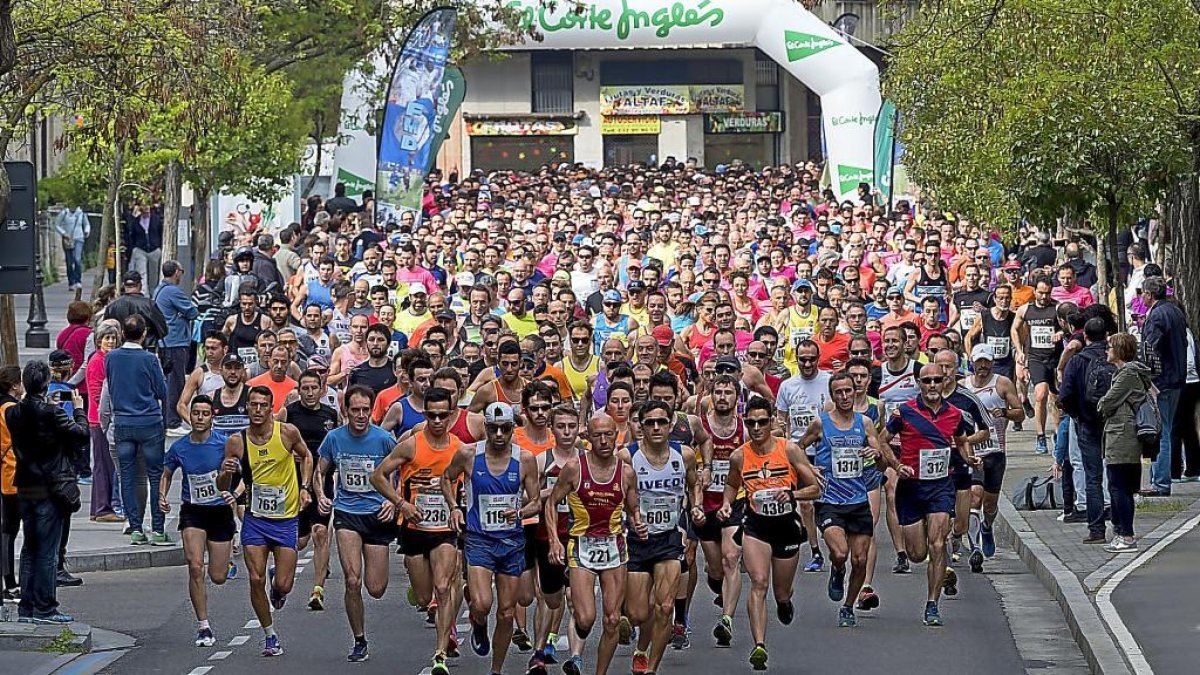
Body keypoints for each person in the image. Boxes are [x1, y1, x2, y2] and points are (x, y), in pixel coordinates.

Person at [719, 397, 820, 671]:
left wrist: (791, 494)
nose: (756, 427)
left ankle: (785, 602)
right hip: (756, 526)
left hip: (787, 526)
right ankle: (759, 645)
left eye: (762, 422)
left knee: (780, 591)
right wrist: (727, 503)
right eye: (750, 422)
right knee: (759, 582)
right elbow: (731, 484)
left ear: (772, 421)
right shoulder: (739, 456)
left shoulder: (789, 450)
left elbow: (815, 489)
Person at [370, 387, 464, 675]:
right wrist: (401, 503)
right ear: (425, 415)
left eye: (442, 415)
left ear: (450, 415)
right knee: (425, 599)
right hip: (413, 527)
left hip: (445, 528)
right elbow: (378, 476)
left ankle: (440, 653)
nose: (437, 421)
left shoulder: (459, 448)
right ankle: (420, 592)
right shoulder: (412, 445)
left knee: (443, 588)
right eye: (432, 415)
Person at [443, 401, 541, 675]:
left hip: (511, 542)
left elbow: (535, 502)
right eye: (494, 429)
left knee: (507, 612)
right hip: (479, 539)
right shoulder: (468, 454)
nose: (499, 435)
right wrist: (454, 508)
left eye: (505, 429)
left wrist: (520, 511)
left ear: (513, 429)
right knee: (484, 603)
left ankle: (495, 670)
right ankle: (478, 619)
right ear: (485, 428)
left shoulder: (525, 459)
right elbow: (446, 478)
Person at [544, 414, 647, 675]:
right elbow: (551, 502)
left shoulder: (626, 473)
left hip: (614, 548)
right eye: (597, 435)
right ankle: (580, 630)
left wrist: (638, 523)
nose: (603, 440)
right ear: (588, 438)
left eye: (608, 434)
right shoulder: (574, 468)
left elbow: (634, 509)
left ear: (617, 436)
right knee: (586, 617)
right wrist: (554, 541)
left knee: (612, 619)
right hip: (581, 547)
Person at [217, 386, 313, 657]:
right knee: (255, 577)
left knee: (283, 584)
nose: (257, 410)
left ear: (271, 408)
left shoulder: (287, 433)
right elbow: (221, 485)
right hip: (256, 518)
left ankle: (278, 587)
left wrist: (305, 487)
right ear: (246, 408)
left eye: (263, 405)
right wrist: (225, 473)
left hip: (285, 519)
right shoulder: (237, 442)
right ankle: (270, 635)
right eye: (253, 405)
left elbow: (306, 456)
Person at [880, 363, 978, 627]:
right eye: (927, 380)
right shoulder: (904, 412)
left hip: (941, 486)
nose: (932, 385)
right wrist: (896, 464)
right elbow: (882, 440)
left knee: (937, 543)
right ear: (919, 383)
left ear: (944, 381)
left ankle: (932, 604)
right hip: (911, 488)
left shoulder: (955, 414)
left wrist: (970, 459)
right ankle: (935, 568)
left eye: (937, 379)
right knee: (916, 553)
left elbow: (961, 441)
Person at [314, 385, 398, 663]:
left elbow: (399, 472)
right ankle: (359, 639)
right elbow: (320, 471)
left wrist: (392, 501)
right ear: (345, 411)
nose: (361, 415)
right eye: (355, 410)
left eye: (365, 410)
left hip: (377, 515)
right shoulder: (334, 439)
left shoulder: (384, 439)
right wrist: (321, 495)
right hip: (347, 514)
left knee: (376, 588)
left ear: (371, 410)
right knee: (352, 580)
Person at [796, 373, 882, 628]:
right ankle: (837, 569)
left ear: (855, 392)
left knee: (860, 560)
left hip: (858, 498)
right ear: (831, 396)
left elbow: (879, 454)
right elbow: (798, 448)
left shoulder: (864, 423)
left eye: (848, 391)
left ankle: (848, 605)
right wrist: (810, 470)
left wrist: (874, 452)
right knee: (840, 552)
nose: (844, 396)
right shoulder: (820, 423)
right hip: (830, 499)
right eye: (838, 392)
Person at [6, 360, 89, 624]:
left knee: (30, 547)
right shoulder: (52, 413)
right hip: (51, 485)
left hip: (26, 484)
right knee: (47, 550)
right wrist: (78, 411)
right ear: (44, 384)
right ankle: (45, 607)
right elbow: (80, 434)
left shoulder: (14, 413)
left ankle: (27, 607)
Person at [622, 400, 700, 675]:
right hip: (637, 541)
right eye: (650, 423)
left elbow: (694, 484)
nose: (656, 427)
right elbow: (616, 497)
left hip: (669, 538)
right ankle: (641, 646)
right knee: (638, 613)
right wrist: (632, 520)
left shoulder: (685, 455)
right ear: (640, 427)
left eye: (662, 422)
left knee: (665, 606)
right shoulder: (627, 456)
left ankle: (650, 668)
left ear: (670, 426)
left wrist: (698, 507)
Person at [159, 395, 236, 646]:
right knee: (194, 567)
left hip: (219, 511)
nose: (200, 418)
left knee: (218, 576)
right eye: (196, 413)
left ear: (212, 417)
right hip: (193, 511)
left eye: (205, 413)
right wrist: (162, 495)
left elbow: (245, 472)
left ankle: (228, 557)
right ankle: (203, 625)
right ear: (189, 416)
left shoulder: (224, 444)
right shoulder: (179, 447)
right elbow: (167, 472)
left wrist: (234, 491)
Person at [277, 369, 338, 611]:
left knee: (320, 532)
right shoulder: (288, 413)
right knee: (299, 541)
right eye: (305, 388)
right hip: (294, 480)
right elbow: (273, 439)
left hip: (322, 480)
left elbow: (337, 442)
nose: (310, 393)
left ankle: (317, 590)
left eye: (314, 388)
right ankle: (281, 572)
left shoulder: (331, 414)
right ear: (298, 390)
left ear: (322, 389)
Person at [106, 314, 170, 545]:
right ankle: (158, 529)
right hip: (149, 421)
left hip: (122, 421)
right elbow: (162, 391)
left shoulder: (111, 358)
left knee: (128, 477)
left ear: (123, 333)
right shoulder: (150, 359)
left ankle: (135, 527)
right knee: (155, 476)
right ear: (143, 334)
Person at [1096, 333, 1152, 553]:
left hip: (1122, 436)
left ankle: (1126, 534)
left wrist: (1102, 403)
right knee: (1120, 487)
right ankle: (1121, 532)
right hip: (1122, 435)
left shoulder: (1127, 373)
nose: (1106, 350)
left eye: (1110, 347)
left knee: (1119, 487)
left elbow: (1108, 401)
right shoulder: (1126, 372)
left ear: (1119, 350)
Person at [1058, 318, 1112, 543]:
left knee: (1093, 476)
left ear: (1085, 337)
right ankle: (1122, 527)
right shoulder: (1113, 358)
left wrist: (1076, 414)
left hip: (1086, 422)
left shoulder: (1077, 361)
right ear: (1106, 335)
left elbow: (1065, 395)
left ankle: (1097, 529)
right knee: (1116, 475)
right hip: (1113, 423)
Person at [1140, 277, 1188, 497]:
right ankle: (1159, 479)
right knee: (1166, 428)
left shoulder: (1158, 315)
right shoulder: (1175, 310)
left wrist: (1146, 378)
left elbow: (1150, 349)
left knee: (1161, 431)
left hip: (1162, 381)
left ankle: (1160, 481)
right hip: (1177, 376)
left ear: (1149, 295)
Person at [155, 259, 200, 432]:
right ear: (176, 272)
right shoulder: (173, 291)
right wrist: (183, 315)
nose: (182, 274)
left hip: (166, 341)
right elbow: (192, 311)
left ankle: (169, 418)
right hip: (175, 341)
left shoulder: (160, 289)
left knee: (171, 380)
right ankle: (172, 420)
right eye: (181, 271)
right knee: (176, 381)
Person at [0, 365, 23, 600]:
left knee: (9, 529)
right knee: (9, 530)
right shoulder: (10, 409)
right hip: (13, 474)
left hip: (7, 475)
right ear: (14, 385)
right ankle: (10, 583)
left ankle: (9, 582)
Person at [105, 271, 169, 348]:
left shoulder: (112, 306)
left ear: (124, 285)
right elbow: (163, 330)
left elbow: (106, 330)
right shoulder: (149, 305)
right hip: (145, 349)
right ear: (140, 285)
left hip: (119, 349)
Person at [125, 202, 163, 290]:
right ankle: (144, 293)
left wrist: (159, 247)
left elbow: (160, 233)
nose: (146, 210)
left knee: (154, 274)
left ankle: (153, 293)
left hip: (154, 249)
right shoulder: (136, 221)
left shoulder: (156, 220)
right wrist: (134, 248)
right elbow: (132, 236)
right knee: (142, 273)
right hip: (140, 249)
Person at [54, 205, 90, 290]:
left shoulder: (81, 213)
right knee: (69, 262)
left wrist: (86, 231)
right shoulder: (64, 213)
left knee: (77, 259)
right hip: (68, 240)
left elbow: (87, 224)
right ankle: (71, 282)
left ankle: (78, 281)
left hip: (79, 238)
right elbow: (57, 225)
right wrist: (63, 233)